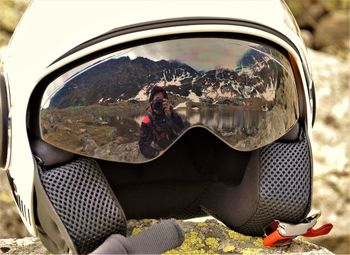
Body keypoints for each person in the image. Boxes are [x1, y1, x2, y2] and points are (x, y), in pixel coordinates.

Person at [139, 86, 184, 158]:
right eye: (156, 99)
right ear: (151, 101)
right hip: (160, 153)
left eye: (161, 100)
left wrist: (171, 115)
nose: (158, 102)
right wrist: (157, 153)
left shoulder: (171, 113)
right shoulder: (147, 121)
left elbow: (181, 129)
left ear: (165, 102)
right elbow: (143, 146)